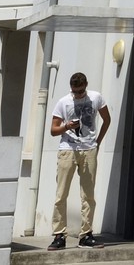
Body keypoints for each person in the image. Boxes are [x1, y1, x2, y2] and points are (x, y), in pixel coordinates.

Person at [49, 72, 111, 250]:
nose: (78, 95)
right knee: (61, 194)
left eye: (81, 91)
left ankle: (86, 235)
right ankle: (59, 235)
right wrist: (66, 126)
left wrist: (97, 142)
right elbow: (53, 130)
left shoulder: (96, 97)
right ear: (71, 89)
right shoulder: (63, 102)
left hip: (88, 149)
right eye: (75, 92)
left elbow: (107, 119)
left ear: (86, 86)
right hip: (67, 149)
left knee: (88, 195)